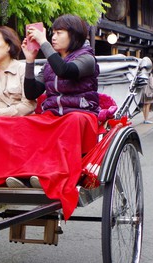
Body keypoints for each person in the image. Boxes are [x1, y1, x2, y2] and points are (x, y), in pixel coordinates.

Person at [16, 14, 99, 188]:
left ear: (74, 35)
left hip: (82, 115)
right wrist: (29, 60)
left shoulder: (87, 59)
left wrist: (43, 43)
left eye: (58, 32)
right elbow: (31, 93)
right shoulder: (49, 66)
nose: (53, 37)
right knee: (27, 122)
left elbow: (64, 71)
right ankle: (27, 173)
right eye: (52, 33)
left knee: (71, 121)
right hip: (55, 116)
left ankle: (56, 175)